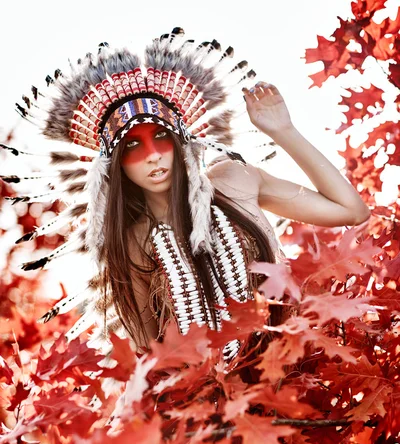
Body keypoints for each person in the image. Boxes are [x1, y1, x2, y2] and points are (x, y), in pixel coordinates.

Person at [7, 29, 370, 361]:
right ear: (115, 167)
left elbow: (351, 211)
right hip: (210, 413)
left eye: (161, 137)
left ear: (183, 142)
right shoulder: (132, 244)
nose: (152, 155)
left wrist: (284, 131)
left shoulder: (234, 181)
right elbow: (150, 361)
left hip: (294, 373)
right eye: (133, 146)